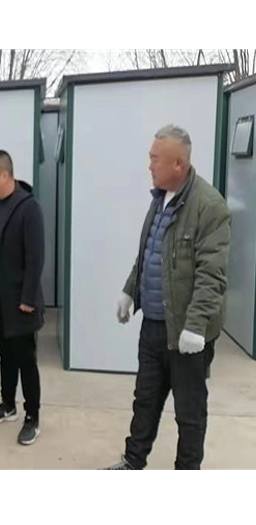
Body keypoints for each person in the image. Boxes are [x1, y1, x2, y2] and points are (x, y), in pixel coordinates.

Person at [106, 125, 231, 470]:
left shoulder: (210, 206)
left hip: (186, 333)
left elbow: (212, 275)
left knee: (189, 413)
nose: (149, 165)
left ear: (178, 163)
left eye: (155, 159)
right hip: (153, 326)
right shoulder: (160, 199)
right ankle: (133, 463)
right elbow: (149, 253)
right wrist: (130, 291)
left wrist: (196, 326)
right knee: (145, 400)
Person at [0, 150, 45, 446]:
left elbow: (36, 256)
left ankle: (32, 417)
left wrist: (28, 297)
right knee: (5, 355)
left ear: (5, 175)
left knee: (25, 360)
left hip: (20, 302)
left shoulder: (28, 207)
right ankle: (8, 404)